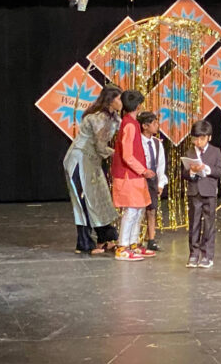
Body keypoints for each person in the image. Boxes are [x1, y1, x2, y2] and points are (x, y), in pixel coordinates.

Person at [63, 83, 122, 254]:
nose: (121, 102)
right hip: (80, 159)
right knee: (83, 200)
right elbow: (100, 146)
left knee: (99, 197)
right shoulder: (97, 118)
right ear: (110, 100)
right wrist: (119, 154)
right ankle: (84, 244)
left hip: (93, 161)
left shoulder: (114, 118)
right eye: (119, 99)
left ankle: (105, 238)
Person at [111, 89, 155, 261]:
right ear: (138, 106)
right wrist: (143, 170)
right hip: (128, 174)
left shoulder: (132, 123)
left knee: (138, 209)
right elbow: (127, 155)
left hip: (134, 174)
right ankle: (122, 247)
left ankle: (133, 244)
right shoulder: (129, 124)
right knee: (131, 210)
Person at [183, 119, 221, 268]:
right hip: (194, 192)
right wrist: (191, 172)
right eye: (195, 138)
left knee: (208, 224)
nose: (198, 142)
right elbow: (183, 174)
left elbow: (220, 171)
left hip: (209, 192)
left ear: (209, 137)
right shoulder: (190, 152)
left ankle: (207, 255)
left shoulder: (215, 151)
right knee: (194, 224)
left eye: (201, 138)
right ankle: (193, 254)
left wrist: (207, 169)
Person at [138, 110, 167, 252]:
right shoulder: (137, 141)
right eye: (154, 123)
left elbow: (161, 164)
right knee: (137, 210)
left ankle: (151, 239)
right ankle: (134, 239)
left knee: (151, 210)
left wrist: (160, 183)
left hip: (152, 181)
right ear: (145, 126)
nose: (157, 126)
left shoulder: (157, 143)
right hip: (139, 179)